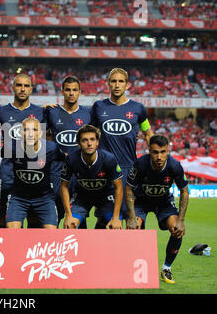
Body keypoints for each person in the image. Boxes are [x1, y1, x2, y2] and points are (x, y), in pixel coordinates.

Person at [91, 67, 153, 227]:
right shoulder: (98, 107)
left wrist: (154, 159)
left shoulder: (138, 109)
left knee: (133, 218)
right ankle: (103, 252)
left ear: (127, 85)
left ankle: (137, 252)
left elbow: (148, 133)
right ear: (108, 84)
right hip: (105, 170)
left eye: (121, 81)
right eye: (113, 81)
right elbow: (91, 133)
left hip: (129, 169)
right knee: (106, 218)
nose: (117, 85)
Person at [125, 134, 189, 284]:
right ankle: (134, 267)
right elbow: (129, 188)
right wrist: (131, 216)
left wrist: (181, 220)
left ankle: (166, 268)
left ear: (168, 151)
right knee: (133, 229)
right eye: (155, 152)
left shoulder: (174, 166)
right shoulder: (140, 164)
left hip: (163, 201)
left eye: (163, 152)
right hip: (141, 201)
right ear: (149, 151)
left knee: (176, 230)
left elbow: (184, 191)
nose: (159, 156)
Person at [0, 73, 47, 228]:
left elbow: (45, 141)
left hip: (33, 171)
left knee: (34, 221)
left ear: (31, 89)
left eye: (26, 86)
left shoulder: (40, 112)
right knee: (3, 220)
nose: (22, 89)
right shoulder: (1, 111)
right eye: (19, 85)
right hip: (8, 172)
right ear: (12, 88)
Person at [46, 75, 91, 227]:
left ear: (80, 92)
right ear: (62, 92)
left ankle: (80, 250)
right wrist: (43, 109)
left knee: (79, 219)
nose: (71, 93)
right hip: (56, 170)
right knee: (54, 218)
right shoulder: (51, 112)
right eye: (68, 90)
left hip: (80, 171)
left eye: (74, 90)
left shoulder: (88, 114)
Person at [4, 117, 65, 229]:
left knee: (52, 233)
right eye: (27, 130)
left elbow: (66, 160)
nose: (30, 134)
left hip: (44, 198)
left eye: (34, 130)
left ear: (41, 133)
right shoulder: (11, 147)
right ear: (21, 132)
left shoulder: (51, 148)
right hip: (19, 198)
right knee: (12, 232)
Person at [60, 124, 123, 230]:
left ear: (97, 142)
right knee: (70, 226)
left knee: (115, 226)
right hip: (82, 197)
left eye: (92, 139)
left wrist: (116, 217)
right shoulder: (72, 159)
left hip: (106, 197)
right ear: (79, 144)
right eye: (84, 140)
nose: (89, 143)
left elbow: (119, 187)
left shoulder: (109, 159)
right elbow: (64, 186)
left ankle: (102, 223)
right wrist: (68, 215)